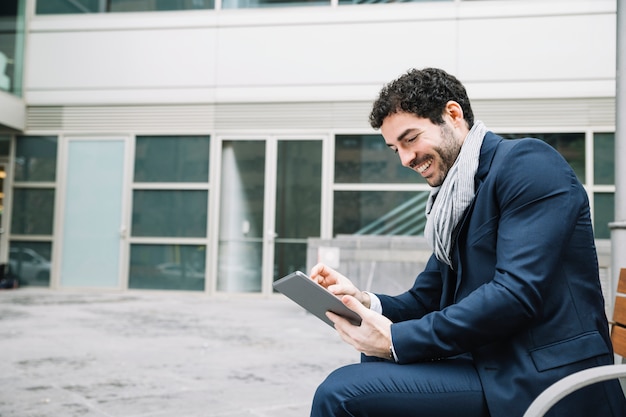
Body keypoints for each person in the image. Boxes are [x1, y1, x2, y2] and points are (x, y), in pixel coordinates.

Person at [308, 68, 626, 417]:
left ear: (453, 115)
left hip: (541, 376)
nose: (405, 158)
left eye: (410, 138)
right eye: (394, 148)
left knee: (342, 393)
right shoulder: (457, 195)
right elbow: (426, 298)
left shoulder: (528, 165)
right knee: (371, 361)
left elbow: (515, 294)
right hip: (488, 363)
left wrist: (396, 339)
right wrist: (364, 301)